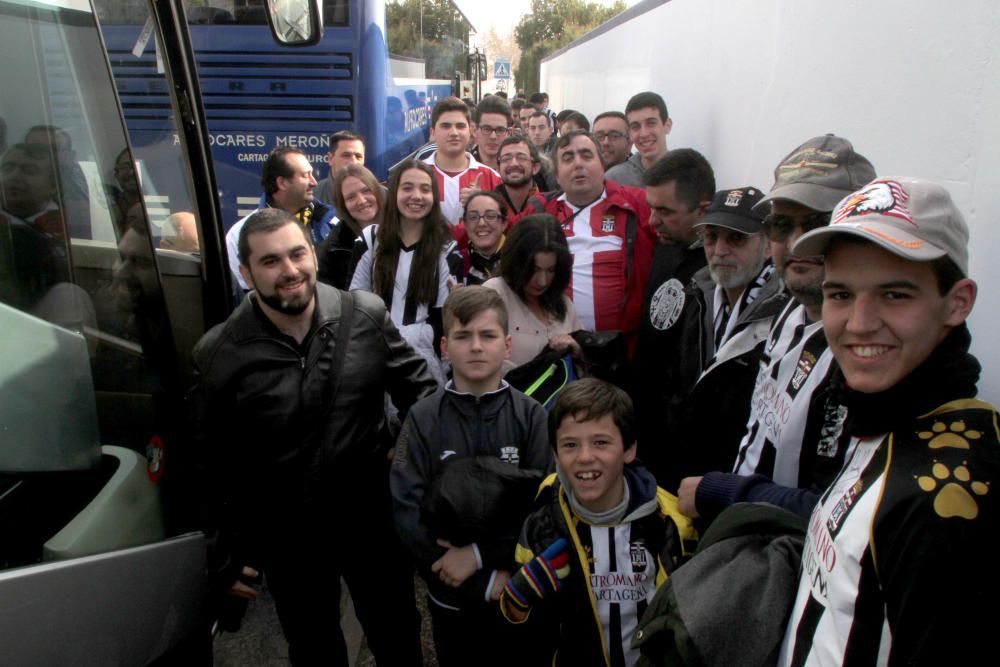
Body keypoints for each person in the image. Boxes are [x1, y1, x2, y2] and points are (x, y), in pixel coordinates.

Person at [191, 208, 435, 666]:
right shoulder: (219, 354)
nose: (290, 271)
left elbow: (423, 394)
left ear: (314, 256)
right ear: (244, 272)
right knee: (314, 646)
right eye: (270, 262)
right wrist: (221, 552)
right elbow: (207, 463)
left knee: (397, 631)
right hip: (289, 532)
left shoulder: (365, 315)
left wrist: (402, 456)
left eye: (297, 254)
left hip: (370, 517)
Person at [776, 176, 997, 665]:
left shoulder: (944, 501)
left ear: (957, 302)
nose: (858, 324)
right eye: (840, 295)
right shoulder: (882, 412)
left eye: (895, 295)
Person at [677, 135, 876, 522]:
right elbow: (758, 429)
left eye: (819, 223)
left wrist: (725, 493)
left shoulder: (870, 351)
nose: (797, 242)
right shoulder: (788, 311)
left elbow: (843, 512)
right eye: (782, 225)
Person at [390, 286, 551, 667]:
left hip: (518, 588)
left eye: (488, 335)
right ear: (445, 347)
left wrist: (484, 558)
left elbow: (546, 509)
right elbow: (406, 511)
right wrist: (472, 579)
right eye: (463, 336)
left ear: (507, 344)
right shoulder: (423, 418)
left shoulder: (532, 416)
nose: (476, 346)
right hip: (452, 598)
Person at [500, 378, 697, 667]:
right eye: (569, 445)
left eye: (601, 442)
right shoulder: (542, 525)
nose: (585, 457)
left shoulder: (671, 523)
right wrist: (516, 604)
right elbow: (525, 641)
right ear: (555, 455)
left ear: (629, 450)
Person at [664, 187, 788, 491]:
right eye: (711, 236)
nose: (719, 250)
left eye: (737, 238)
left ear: (769, 245)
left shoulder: (785, 316)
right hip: (689, 478)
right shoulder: (699, 295)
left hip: (740, 487)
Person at [629, 149, 715, 483]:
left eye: (665, 211)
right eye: (652, 208)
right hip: (646, 427)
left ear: (702, 210)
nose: (652, 221)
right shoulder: (666, 242)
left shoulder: (715, 275)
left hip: (684, 450)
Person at [522, 130, 655, 341]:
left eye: (586, 155)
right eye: (568, 158)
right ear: (556, 175)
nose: (578, 164)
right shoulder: (538, 211)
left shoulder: (638, 204)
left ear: (602, 166)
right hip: (558, 351)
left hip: (624, 351)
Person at [350, 159, 462, 384]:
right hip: (371, 359)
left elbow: (442, 318)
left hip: (422, 366)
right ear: (394, 193)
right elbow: (354, 302)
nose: (417, 196)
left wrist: (403, 340)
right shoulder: (371, 240)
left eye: (425, 189)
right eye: (407, 188)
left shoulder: (446, 250)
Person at [225, 146, 335, 291]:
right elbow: (242, 294)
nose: (314, 182)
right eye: (305, 175)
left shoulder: (330, 223)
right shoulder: (239, 235)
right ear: (282, 183)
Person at [484, 214, 583, 368]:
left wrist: (576, 352)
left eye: (550, 270)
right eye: (534, 270)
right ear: (516, 263)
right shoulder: (495, 294)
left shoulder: (564, 304)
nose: (542, 281)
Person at [423, 96, 502, 226]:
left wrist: (483, 202)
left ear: (470, 130)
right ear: (433, 132)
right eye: (445, 126)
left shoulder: (492, 178)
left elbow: (505, 224)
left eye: (460, 126)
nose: (454, 132)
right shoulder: (417, 174)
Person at [316, 162, 383, 289]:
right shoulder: (331, 249)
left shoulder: (404, 230)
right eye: (351, 197)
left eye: (366, 191)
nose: (362, 201)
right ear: (343, 205)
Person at [606, 91, 672, 187]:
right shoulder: (614, 179)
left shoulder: (689, 174)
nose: (644, 134)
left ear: (667, 125)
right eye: (635, 126)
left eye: (651, 123)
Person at [457, 190, 506, 285]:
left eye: (490, 216)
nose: (481, 223)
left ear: (504, 223)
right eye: (473, 217)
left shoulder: (519, 260)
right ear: (465, 224)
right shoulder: (455, 262)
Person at [494, 136, 551, 215]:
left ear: (535, 167)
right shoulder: (489, 208)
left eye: (521, 157)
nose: (514, 163)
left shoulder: (551, 206)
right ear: (498, 169)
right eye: (506, 158)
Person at [312, 130, 365, 207]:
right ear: (330, 159)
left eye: (358, 156)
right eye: (346, 155)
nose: (354, 161)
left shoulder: (381, 195)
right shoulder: (312, 196)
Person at [471, 95, 513, 171]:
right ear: (475, 131)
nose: (493, 136)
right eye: (487, 129)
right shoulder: (460, 169)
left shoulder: (517, 171)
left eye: (500, 130)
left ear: (509, 133)